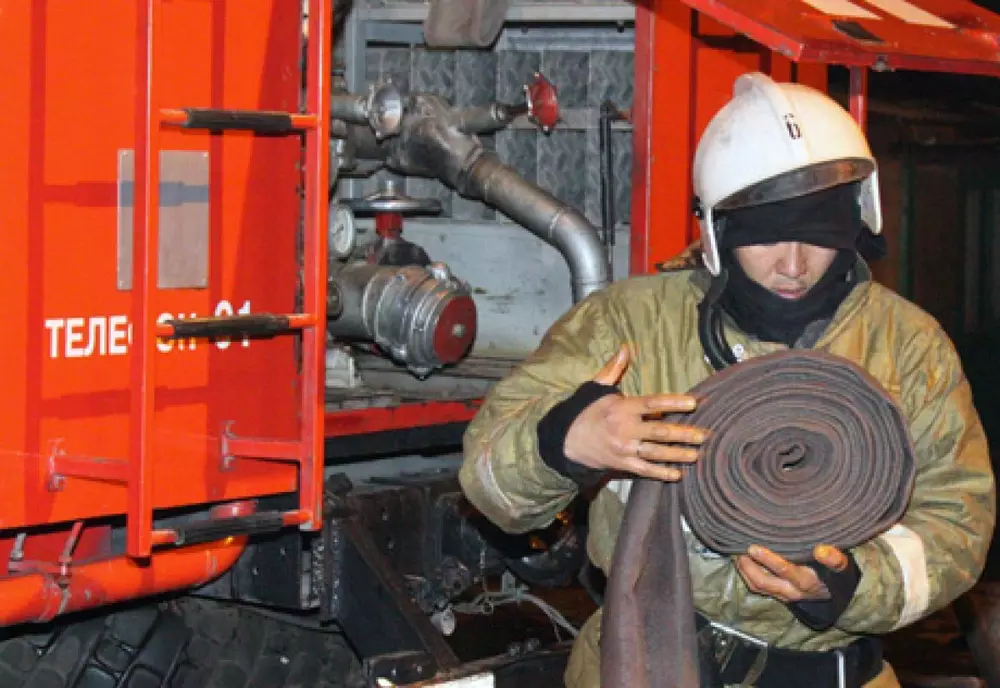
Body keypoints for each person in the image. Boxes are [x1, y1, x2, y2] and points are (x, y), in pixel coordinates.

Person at [458, 72, 996, 687]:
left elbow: (958, 521)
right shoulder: (627, 325)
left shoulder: (906, 346)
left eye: (818, 234)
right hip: (645, 667)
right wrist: (564, 440)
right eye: (766, 236)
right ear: (718, 231)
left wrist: (852, 585)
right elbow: (487, 482)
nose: (793, 264)